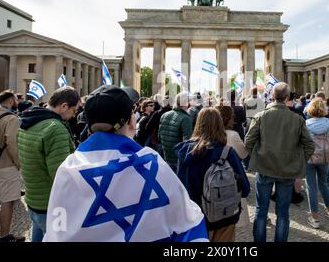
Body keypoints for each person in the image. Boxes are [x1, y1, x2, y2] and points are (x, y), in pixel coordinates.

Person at [43, 85, 208, 242]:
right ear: (131, 121)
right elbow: (188, 223)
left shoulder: (67, 168)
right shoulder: (152, 163)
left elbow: (56, 231)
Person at [245, 82, 315, 242]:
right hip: (287, 170)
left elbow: (248, 142)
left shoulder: (261, 116)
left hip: (264, 167)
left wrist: (258, 156)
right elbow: (309, 145)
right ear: (288, 98)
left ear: (272, 96)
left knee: (261, 211)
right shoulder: (297, 119)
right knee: (283, 213)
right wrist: (298, 161)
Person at [175, 108, 250, 242]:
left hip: (196, 220)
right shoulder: (227, 153)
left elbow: (180, 188)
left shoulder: (184, 153)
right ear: (220, 124)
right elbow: (245, 188)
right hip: (224, 217)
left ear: (198, 124)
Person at [18, 86, 80, 242]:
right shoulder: (55, 128)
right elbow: (61, 175)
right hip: (50, 204)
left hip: (33, 198)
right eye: (74, 110)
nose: (74, 116)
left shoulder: (28, 120)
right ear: (64, 106)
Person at [0, 90, 24, 242]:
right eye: (15, 99)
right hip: (6, 166)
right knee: (7, 202)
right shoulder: (11, 118)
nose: (17, 102)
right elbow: (12, 143)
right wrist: (18, 163)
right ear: (10, 101)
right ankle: (5, 236)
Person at [215, 105, 250, 227]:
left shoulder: (209, 134)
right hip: (231, 180)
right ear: (228, 118)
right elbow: (243, 153)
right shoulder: (232, 135)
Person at [304, 99, 329, 229]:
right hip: (324, 157)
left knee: (311, 187)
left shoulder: (305, 124)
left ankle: (315, 218)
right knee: (324, 184)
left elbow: (303, 141)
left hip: (309, 158)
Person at [158, 92, 193, 172]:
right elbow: (187, 142)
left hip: (166, 155)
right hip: (178, 158)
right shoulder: (186, 118)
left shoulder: (165, 115)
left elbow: (159, 136)